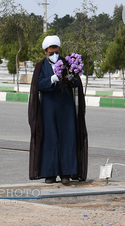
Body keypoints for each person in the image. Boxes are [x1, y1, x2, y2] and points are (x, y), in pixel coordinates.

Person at [28, 35, 88, 185]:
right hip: (48, 109)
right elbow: (38, 85)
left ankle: (66, 173)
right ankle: (50, 174)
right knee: (50, 139)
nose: (54, 54)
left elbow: (76, 83)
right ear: (45, 51)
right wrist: (52, 79)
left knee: (68, 138)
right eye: (51, 51)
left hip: (66, 109)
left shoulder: (68, 63)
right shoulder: (41, 66)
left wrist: (70, 76)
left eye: (56, 51)